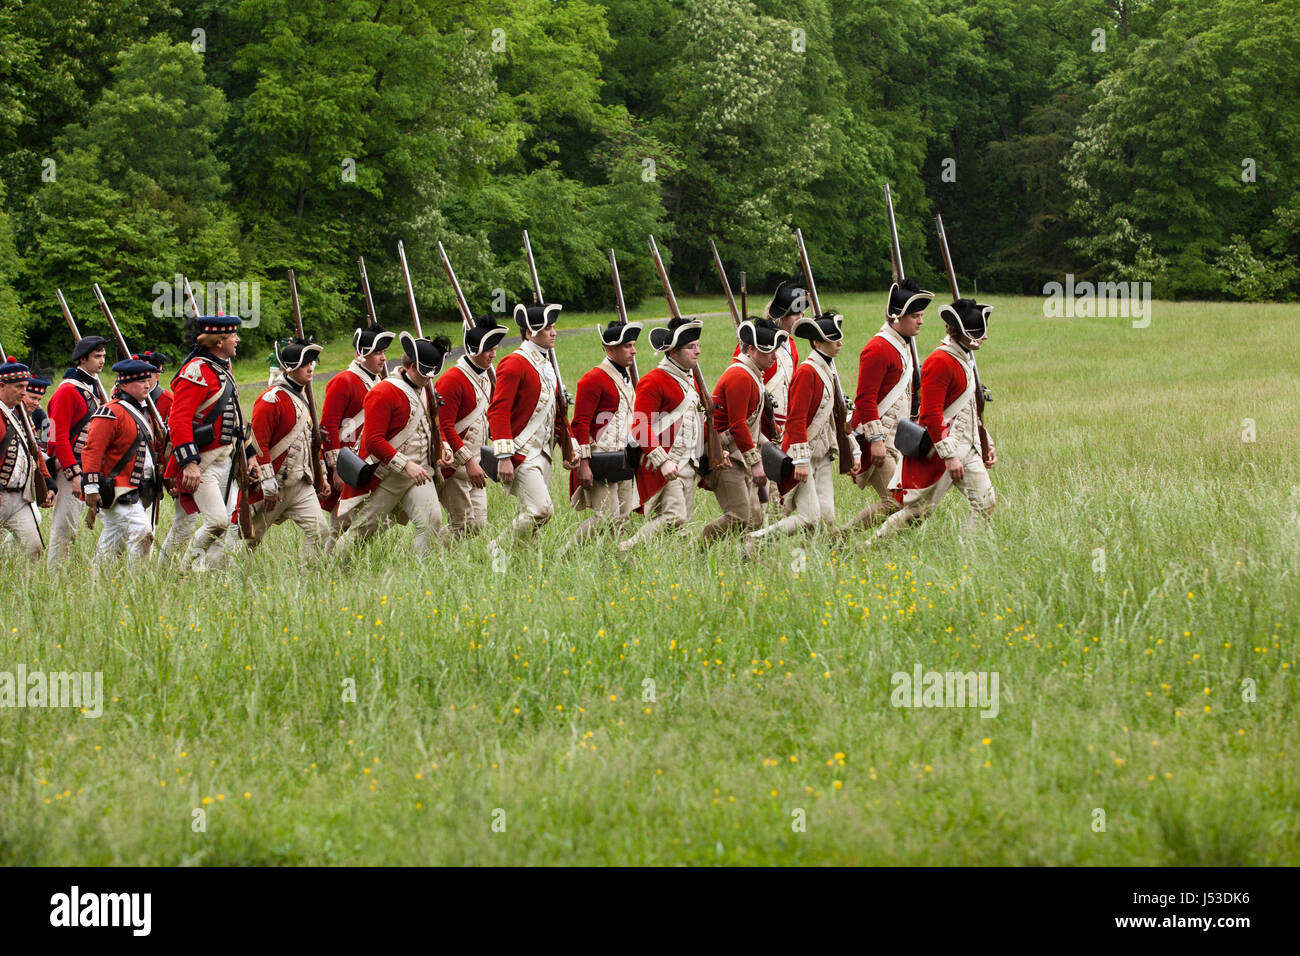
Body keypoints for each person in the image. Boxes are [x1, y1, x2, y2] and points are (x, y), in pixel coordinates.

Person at [875, 298, 997, 540]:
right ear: (966, 334)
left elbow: (971, 409)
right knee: (918, 512)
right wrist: (950, 456)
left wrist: (987, 441)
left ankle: (968, 552)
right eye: (979, 332)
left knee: (986, 501)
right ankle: (871, 546)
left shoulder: (964, 358)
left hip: (968, 446)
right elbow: (931, 414)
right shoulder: (940, 361)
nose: (985, 337)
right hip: (942, 449)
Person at [746, 310, 856, 555]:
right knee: (808, 516)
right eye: (832, 338)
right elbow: (796, 420)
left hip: (823, 452)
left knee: (826, 516)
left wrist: (854, 450)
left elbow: (833, 417)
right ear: (817, 342)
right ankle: (757, 540)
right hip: (802, 455)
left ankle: (805, 561)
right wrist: (801, 461)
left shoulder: (828, 369)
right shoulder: (808, 371)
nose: (839, 342)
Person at [334, 333, 453, 556]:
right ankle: (334, 570)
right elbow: (373, 440)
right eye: (424, 373)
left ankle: (418, 572)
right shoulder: (383, 392)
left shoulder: (426, 388)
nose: (429, 379)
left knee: (431, 522)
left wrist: (443, 447)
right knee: (363, 530)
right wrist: (406, 464)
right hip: (387, 474)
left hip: (420, 473)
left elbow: (432, 426)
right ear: (411, 367)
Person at [485, 303, 578, 555]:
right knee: (541, 510)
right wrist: (504, 456)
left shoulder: (547, 365)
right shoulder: (514, 363)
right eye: (547, 327)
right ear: (529, 332)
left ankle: (521, 564)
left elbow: (557, 412)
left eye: (554, 327)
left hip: (543, 453)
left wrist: (570, 447)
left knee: (533, 519)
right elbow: (498, 411)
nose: (554, 332)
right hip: (521, 452)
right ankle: (494, 549)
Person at [840, 277, 933, 532]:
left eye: (921, 314)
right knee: (895, 501)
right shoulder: (878, 348)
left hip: (897, 438)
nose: (921, 321)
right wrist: (876, 439)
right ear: (897, 317)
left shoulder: (904, 346)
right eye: (915, 315)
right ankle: (839, 539)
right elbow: (865, 399)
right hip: (877, 439)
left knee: (907, 501)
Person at [157, 313, 246, 572]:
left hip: (227, 459)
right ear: (219, 341)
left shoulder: (222, 368)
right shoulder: (196, 371)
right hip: (203, 461)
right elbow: (179, 420)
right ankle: (183, 572)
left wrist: (247, 456)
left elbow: (237, 418)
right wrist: (189, 463)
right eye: (233, 336)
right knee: (216, 522)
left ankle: (206, 574)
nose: (237, 340)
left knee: (230, 525)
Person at [618, 317, 708, 552]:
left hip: (688, 463)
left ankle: (668, 569)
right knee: (674, 517)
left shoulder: (690, 380)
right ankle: (626, 548)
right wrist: (664, 461)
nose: (698, 351)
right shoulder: (653, 380)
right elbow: (639, 426)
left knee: (683, 526)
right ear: (674, 351)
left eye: (698, 345)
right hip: (663, 462)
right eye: (691, 347)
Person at [246, 338, 331, 558]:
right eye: (305, 363)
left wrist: (321, 474)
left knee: (320, 531)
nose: (310, 367)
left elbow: (311, 441)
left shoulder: (302, 395)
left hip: (301, 483)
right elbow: (258, 444)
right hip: (275, 484)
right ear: (291, 367)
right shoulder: (271, 399)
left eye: (311, 362)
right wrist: (266, 481)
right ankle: (218, 576)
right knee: (248, 539)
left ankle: (310, 578)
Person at [704, 317, 786, 542]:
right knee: (739, 517)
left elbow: (750, 424)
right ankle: (696, 548)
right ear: (751, 349)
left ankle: (743, 560)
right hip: (726, 455)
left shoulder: (753, 374)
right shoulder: (740, 375)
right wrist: (756, 463)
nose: (774, 357)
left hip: (740, 452)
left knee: (756, 518)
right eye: (768, 351)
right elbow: (738, 425)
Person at [567, 320, 641, 546]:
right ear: (610, 349)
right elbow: (580, 423)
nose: (634, 351)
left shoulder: (627, 378)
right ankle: (566, 553)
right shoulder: (593, 379)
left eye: (633, 345)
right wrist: (584, 464)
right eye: (628, 346)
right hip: (601, 458)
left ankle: (612, 563)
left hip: (624, 459)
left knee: (622, 520)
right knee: (605, 518)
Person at [81, 359, 160, 567]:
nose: (146, 385)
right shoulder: (110, 412)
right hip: (116, 489)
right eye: (140, 381)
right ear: (124, 385)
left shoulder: (144, 413)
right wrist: (90, 487)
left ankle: (98, 583)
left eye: (147, 380)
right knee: (144, 532)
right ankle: (138, 581)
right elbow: (92, 451)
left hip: (136, 488)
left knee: (112, 544)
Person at [435, 315, 507, 537]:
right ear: (473, 348)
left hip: (477, 464)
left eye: (495, 349)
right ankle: (425, 553)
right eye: (488, 350)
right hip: (455, 466)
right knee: (463, 525)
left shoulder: (485, 377)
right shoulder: (452, 379)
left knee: (477, 527)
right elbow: (444, 427)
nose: (493, 355)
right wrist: (467, 462)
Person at [320, 324, 395, 522]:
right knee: (341, 523)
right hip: (349, 462)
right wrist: (337, 468)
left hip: (371, 462)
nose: (383, 358)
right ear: (360, 355)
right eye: (377, 353)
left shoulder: (380, 383)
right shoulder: (344, 381)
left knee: (375, 523)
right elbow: (328, 425)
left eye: (384, 352)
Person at [45, 334, 108, 568]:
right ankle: (56, 574)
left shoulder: (92, 388)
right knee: (65, 526)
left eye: (103, 355)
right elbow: (57, 436)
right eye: (97, 356)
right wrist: (74, 474)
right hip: (71, 466)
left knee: (115, 519)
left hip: (91, 465)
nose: (102, 361)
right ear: (83, 359)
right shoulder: (67, 391)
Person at [733, 281, 804, 431]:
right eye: (795, 314)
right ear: (782, 315)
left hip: (782, 424)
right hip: (755, 422)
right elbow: (738, 376)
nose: (801, 317)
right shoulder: (757, 339)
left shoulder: (791, 345)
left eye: (802, 313)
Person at [0, 361, 54, 559]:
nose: (24, 394)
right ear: (2, 386)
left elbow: (37, 450)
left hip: (19, 495)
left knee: (34, 548)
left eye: (26, 387)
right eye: (19, 387)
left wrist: (48, 482)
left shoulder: (33, 415)